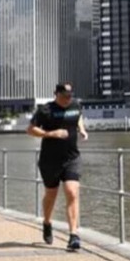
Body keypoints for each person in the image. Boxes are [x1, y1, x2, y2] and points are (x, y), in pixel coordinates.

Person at [27, 82, 89, 251]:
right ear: (56, 94)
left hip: (72, 158)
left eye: (70, 96)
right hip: (50, 160)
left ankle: (74, 235)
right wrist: (50, 134)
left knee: (72, 191)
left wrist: (82, 129)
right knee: (51, 194)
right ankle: (47, 222)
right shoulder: (45, 110)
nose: (68, 99)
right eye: (65, 97)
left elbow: (78, 116)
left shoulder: (75, 105)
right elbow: (31, 129)